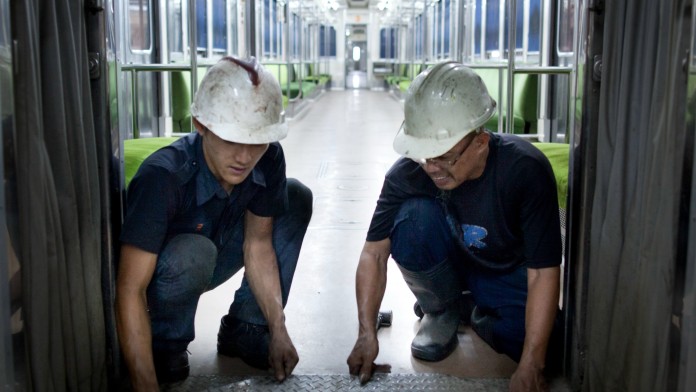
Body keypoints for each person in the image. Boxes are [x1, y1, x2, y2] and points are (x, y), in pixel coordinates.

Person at [347, 61, 562, 391]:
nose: (431, 167)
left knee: (549, 345)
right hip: (448, 261)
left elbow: (543, 272)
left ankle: (473, 310)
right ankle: (440, 307)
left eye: (444, 156)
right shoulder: (408, 173)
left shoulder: (525, 171)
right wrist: (365, 335)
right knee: (412, 219)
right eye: (423, 155)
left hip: (502, 270)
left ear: (480, 141)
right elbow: (373, 254)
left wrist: (532, 362)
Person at [116, 56, 313, 390]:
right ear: (200, 125)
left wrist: (278, 329)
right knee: (195, 251)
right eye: (231, 140)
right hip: (170, 271)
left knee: (294, 196)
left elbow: (258, 244)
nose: (244, 157)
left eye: (256, 142)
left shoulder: (267, 158)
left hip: (216, 247)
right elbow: (130, 288)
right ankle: (165, 343)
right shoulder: (163, 177)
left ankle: (246, 327)